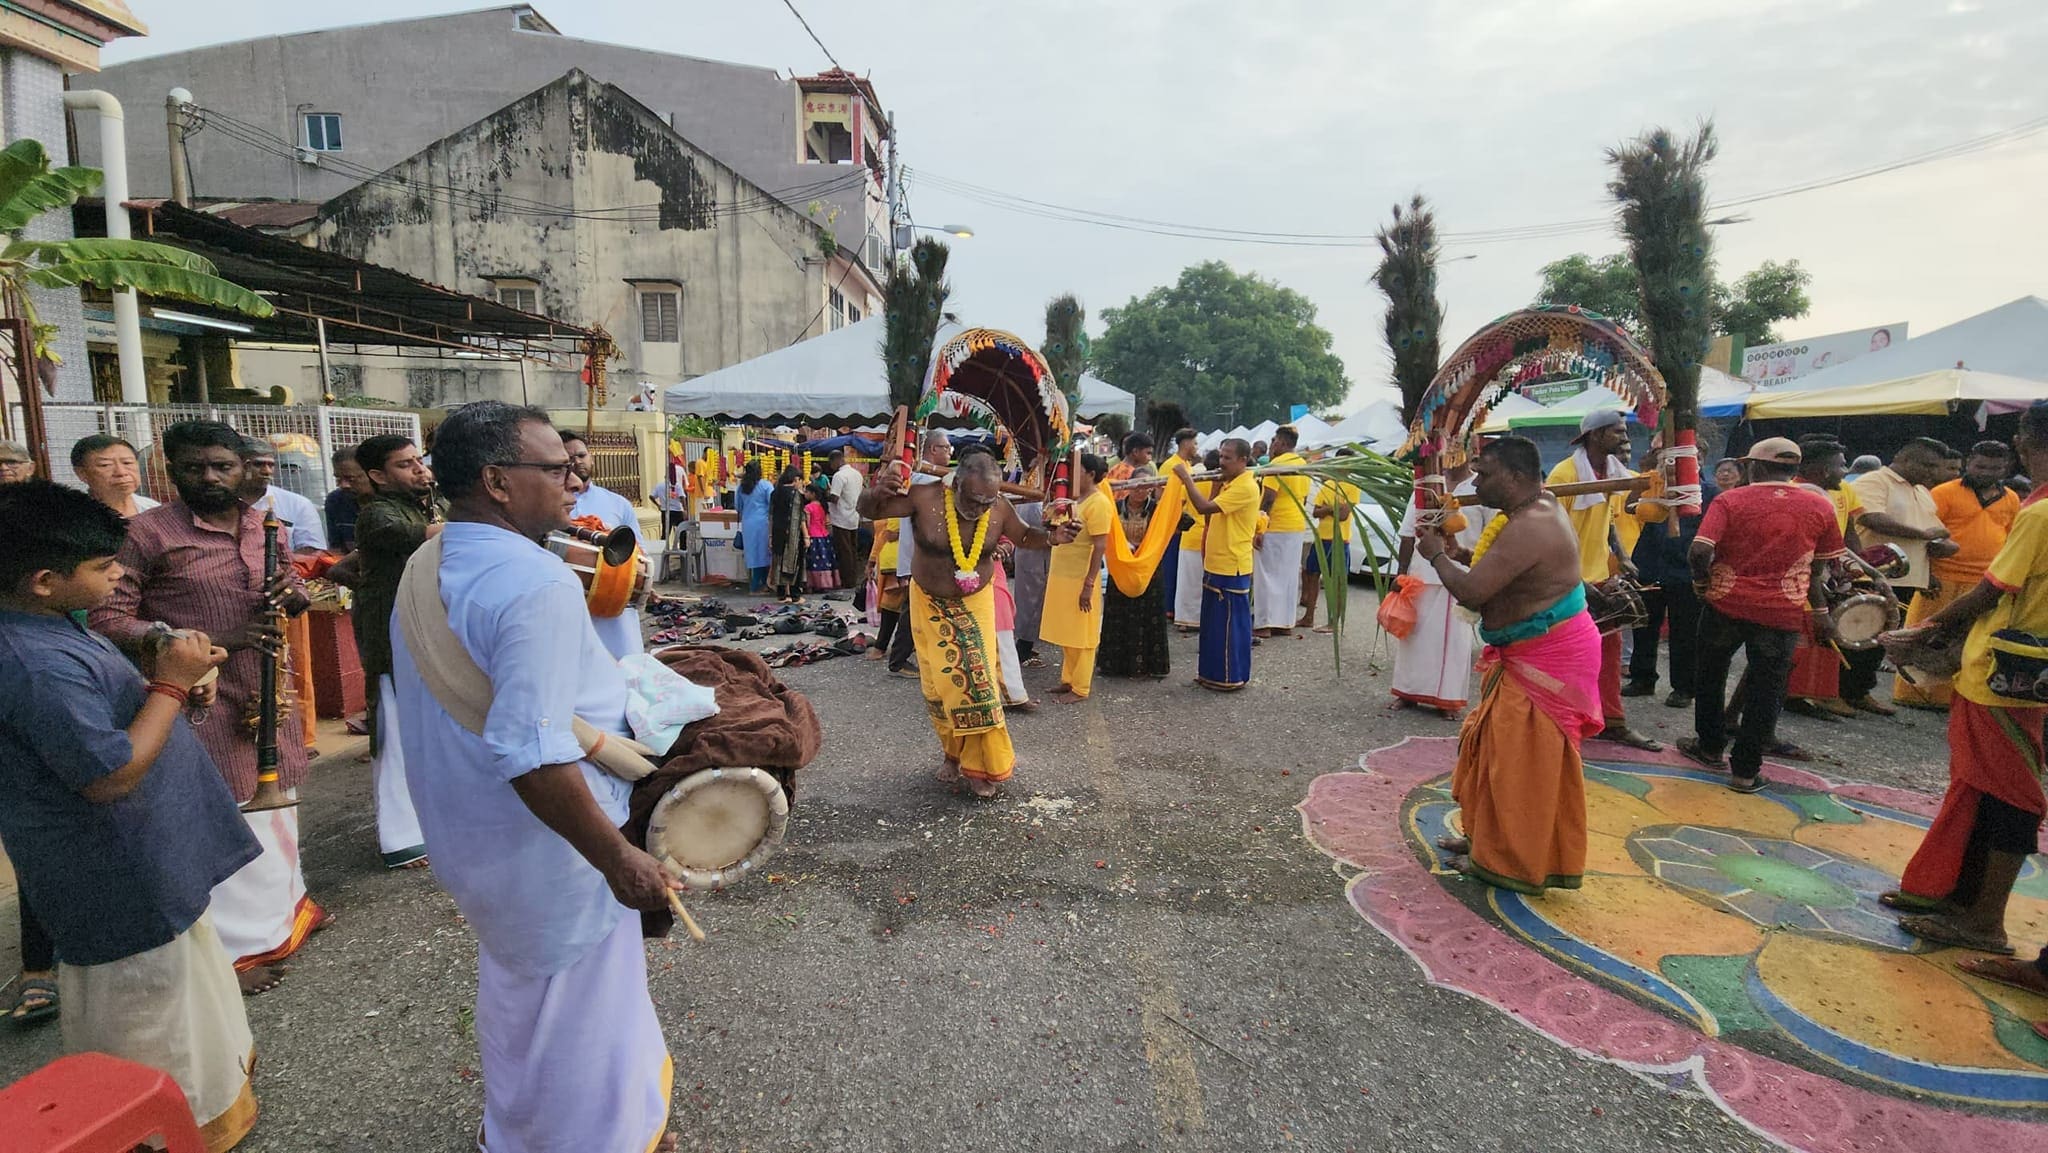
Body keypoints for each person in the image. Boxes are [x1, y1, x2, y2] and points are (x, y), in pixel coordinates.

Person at [386, 402, 679, 1153]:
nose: (574, 480)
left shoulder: (431, 559)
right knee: (576, 1014)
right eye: (556, 468)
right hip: (548, 845)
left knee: (528, 996)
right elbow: (533, 753)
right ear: (497, 482)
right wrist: (619, 859)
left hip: (467, 829)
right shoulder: (536, 582)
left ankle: (526, 1128)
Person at [0, 481, 260, 1150]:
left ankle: (204, 1109)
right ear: (45, 580)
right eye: (104, 567)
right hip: (116, 870)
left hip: (144, 855)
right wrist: (171, 683)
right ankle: (157, 1125)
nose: (120, 576)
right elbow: (108, 774)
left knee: (189, 994)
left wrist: (161, 688)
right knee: (152, 1016)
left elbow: (105, 713)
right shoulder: (33, 662)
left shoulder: (47, 624)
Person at [92, 420, 323, 996]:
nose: (210, 477)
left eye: (222, 465)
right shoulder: (144, 534)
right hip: (199, 695)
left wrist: (292, 595)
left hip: (268, 686)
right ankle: (230, 955)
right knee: (219, 811)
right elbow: (108, 619)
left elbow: (289, 582)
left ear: (243, 466)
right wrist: (209, 637)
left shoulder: (264, 524)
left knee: (276, 804)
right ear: (170, 471)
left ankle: (286, 916)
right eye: (194, 467)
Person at [1881, 402, 2048, 957]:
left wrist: (1925, 632)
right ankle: (1952, 895)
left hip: (2007, 677)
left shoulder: (2038, 513)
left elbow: (1993, 589)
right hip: (2018, 667)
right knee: (1981, 787)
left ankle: (1984, 923)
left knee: (2008, 795)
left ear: (2025, 443)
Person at [1415, 436, 1603, 893]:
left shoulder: (1531, 525)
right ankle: (1487, 838)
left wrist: (1436, 554)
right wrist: (1456, 552)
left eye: (1486, 474)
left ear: (1517, 478)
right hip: (1524, 653)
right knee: (1496, 752)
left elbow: (1475, 592)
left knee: (1521, 767)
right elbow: (1496, 572)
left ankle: (1512, 861)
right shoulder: (1526, 513)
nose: (1477, 481)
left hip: (1548, 657)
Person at [859, 445, 1073, 796]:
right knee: (939, 689)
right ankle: (952, 755)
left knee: (979, 684)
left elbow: (1025, 536)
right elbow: (868, 511)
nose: (979, 510)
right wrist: (875, 491)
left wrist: (1052, 537)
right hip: (928, 603)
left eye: (987, 503)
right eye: (973, 500)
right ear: (954, 483)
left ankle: (981, 767)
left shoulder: (998, 508)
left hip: (976, 602)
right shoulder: (923, 498)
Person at [1677, 439, 1847, 792]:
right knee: (1767, 689)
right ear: (1795, 469)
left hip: (1726, 603)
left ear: (1753, 466)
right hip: (1781, 610)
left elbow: (1699, 551)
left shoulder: (1730, 500)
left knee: (1711, 676)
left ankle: (1708, 747)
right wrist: (1819, 611)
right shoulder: (1820, 505)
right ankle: (1745, 772)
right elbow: (1818, 569)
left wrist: (1700, 582)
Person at [351, 433, 440, 870]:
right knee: (395, 736)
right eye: (405, 465)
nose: (419, 470)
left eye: (418, 461)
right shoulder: (378, 515)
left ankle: (429, 823)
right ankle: (401, 839)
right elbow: (424, 536)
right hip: (389, 642)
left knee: (423, 734)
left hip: (418, 634)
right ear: (376, 476)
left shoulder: (420, 504)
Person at [1548, 409, 1659, 750]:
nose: (1626, 438)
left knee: (1608, 658)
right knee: (1567, 658)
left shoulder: (1614, 473)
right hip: (1563, 582)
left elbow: (1609, 520)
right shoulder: (1565, 474)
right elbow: (1548, 531)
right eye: (1618, 431)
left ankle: (1613, 721)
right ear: (1595, 435)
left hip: (1599, 577)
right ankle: (1559, 723)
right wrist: (1574, 580)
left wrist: (1622, 557)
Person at [1894, 441, 2021, 709]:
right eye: (1981, 466)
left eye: (1995, 467)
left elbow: (2010, 538)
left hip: (1982, 582)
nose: (1987, 472)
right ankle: (1910, 694)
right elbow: (1924, 534)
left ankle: (1945, 698)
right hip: (1941, 576)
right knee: (1923, 633)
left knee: (1962, 641)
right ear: (1968, 463)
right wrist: (1926, 574)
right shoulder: (1944, 492)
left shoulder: (2011, 498)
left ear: (2006, 468)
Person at [1849, 438, 1957, 715]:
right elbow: (1870, 518)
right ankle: (1842, 690)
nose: (1932, 473)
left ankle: (1859, 690)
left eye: (1936, 468)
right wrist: (1923, 535)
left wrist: (1931, 567)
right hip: (1874, 573)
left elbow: (1934, 532)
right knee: (1857, 633)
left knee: (1881, 639)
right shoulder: (1875, 481)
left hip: (1907, 577)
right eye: (1928, 466)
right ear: (1905, 459)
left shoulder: (1921, 491)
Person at [1780, 436, 1881, 720]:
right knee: (1807, 635)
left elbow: (1847, 536)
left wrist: (1863, 572)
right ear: (1823, 470)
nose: (1845, 470)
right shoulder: (1794, 493)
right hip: (1803, 579)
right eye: (1840, 465)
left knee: (1823, 635)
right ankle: (1791, 695)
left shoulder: (1840, 491)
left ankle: (1815, 694)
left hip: (1828, 572)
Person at [1391, 459, 1489, 714]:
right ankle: (1408, 693)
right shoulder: (1426, 486)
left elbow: (1493, 535)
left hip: (1459, 575)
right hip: (1420, 574)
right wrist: (1401, 573)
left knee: (1453, 640)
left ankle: (1447, 700)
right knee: (1413, 637)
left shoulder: (1481, 486)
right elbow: (1407, 533)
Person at [1625, 450, 1716, 709]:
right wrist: (1646, 478)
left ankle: (1683, 687)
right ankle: (1642, 678)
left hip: (1685, 569)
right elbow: (1630, 508)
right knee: (1644, 626)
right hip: (1651, 564)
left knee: (1684, 632)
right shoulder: (1654, 484)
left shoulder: (1709, 493)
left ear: (1700, 461)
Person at [1173, 439, 1263, 691]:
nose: (1222, 462)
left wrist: (1185, 477)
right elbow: (1212, 512)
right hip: (1216, 561)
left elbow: (1203, 508)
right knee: (1212, 625)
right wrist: (1214, 483)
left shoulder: (1245, 486)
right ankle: (1211, 673)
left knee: (1229, 627)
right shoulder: (1229, 483)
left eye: (1228, 458)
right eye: (1221, 457)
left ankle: (1229, 676)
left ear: (1243, 460)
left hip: (1231, 564)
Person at [563, 430, 650, 660]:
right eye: (570, 458)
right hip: (569, 611)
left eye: (582, 455)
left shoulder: (617, 504)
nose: (577, 462)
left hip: (616, 613)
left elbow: (638, 553)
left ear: (591, 458)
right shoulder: (549, 505)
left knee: (627, 673)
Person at [1101, 433, 1171, 679]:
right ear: (1128, 486)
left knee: (1147, 617)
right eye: (1137, 486)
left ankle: (1148, 667)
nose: (1142, 491)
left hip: (1149, 569)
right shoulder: (1115, 507)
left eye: (1147, 487)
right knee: (1120, 615)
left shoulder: (1156, 509)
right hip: (1122, 567)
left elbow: (1181, 521)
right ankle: (1115, 666)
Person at [1043, 454, 1112, 701]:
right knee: (1068, 630)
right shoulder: (1074, 500)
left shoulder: (1099, 503)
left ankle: (1081, 687)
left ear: (1091, 474)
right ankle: (1068, 679)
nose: (1071, 475)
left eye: (1077, 470)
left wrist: (1089, 583)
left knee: (1083, 633)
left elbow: (1100, 546)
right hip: (1062, 574)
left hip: (1081, 577)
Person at [885, 431, 954, 675]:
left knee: (920, 608)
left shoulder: (927, 477)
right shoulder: (926, 479)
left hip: (925, 554)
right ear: (933, 450)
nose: (949, 452)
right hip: (921, 554)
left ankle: (911, 655)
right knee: (914, 608)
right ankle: (898, 659)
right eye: (947, 448)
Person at [1254, 426, 1311, 638]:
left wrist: (1260, 528)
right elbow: (1304, 498)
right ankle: (1284, 622)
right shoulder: (1303, 465)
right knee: (1287, 576)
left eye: (1275, 440)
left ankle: (1265, 623)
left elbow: (1268, 498)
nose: (1272, 444)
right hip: (1295, 526)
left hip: (1276, 525)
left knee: (1266, 575)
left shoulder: (1276, 465)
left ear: (1284, 443)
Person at [1300, 451, 1364, 633]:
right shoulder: (1327, 484)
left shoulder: (1352, 487)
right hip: (1321, 538)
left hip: (1339, 540)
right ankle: (1308, 617)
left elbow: (1343, 515)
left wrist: (1327, 508)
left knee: (1337, 581)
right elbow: (1316, 512)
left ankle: (1333, 622)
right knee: (1312, 576)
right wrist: (1332, 508)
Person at [238, 437, 328, 552]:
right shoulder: (223, 502)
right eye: (258, 464)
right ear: (241, 466)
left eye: (271, 465)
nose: (267, 471)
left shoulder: (298, 505)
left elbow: (313, 552)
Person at [1173, 449, 1221, 633]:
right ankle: (1203, 619)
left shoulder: (1192, 482)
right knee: (1204, 582)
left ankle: (1185, 620)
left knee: (1187, 582)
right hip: (1210, 536)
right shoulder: (1223, 484)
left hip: (1190, 535)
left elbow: (1179, 506)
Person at [1160, 429, 1200, 617]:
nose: (1196, 447)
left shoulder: (1187, 465)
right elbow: (1161, 496)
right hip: (1172, 522)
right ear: (1185, 443)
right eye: (1195, 443)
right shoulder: (1171, 466)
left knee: (1178, 567)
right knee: (1171, 566)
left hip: (1185, 522)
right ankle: (1169, 607)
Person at [71, 434, 159, 519]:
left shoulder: (153, 509)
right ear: (81, 473)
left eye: (127, 463)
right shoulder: (76, 518)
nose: (121, 472)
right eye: (105, 465)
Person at [865, 517, 906, 661]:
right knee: (894, 604)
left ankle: (881, 646)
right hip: (889, 558)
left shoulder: (903, 501)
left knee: (892, 603)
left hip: (902, 559)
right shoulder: (886, 504)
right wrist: (872, 561)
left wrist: (901, 532)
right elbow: (880, 536)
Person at [826, 448, 866, 590]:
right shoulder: (857, 474)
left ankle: (847, 582)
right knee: (852, 550)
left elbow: (834, 498)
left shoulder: (839, 476)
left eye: (831, 464)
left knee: (844, 552)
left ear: (836, 461)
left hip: (840, 518)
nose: (831, 467)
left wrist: (824, 495)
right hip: (854, 517)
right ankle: (853, 579)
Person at [768, 465, 806, 603]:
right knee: (794, 562)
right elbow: (799, 517)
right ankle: (795, 595)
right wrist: (806, 536)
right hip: (793, 535)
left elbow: (771, 516)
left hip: (777, 532)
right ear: (795, 479)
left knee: (779, 561)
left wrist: (770, 536)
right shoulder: (796, 494)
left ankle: (781, 595)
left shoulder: (775, 492)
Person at [324, 447, 373, 553]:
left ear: (372, 474)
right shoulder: (335, 501)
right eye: (338, 479)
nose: (343, 485)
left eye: (350, 479)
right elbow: (336, 549)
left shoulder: (394, 502)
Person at [737, 459, 773, 591]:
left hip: (748, 523)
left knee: (752, 553)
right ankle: (762, 583)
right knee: (764, 553)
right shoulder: (766, 486)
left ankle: (754, 584)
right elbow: (772, 504)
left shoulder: (742, 487)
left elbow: (738, 506)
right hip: (763, 523)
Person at [804, 481, 841, 592]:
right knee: (825, 560)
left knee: (814, 561)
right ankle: (826, 583)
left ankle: (814, 584)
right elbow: (826, 522)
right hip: (824, 536)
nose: (805, 494)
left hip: (813, 536)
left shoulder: (808, 508)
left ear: (813, 494)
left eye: (807, 492)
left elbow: (808, 523)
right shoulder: (823, 506)